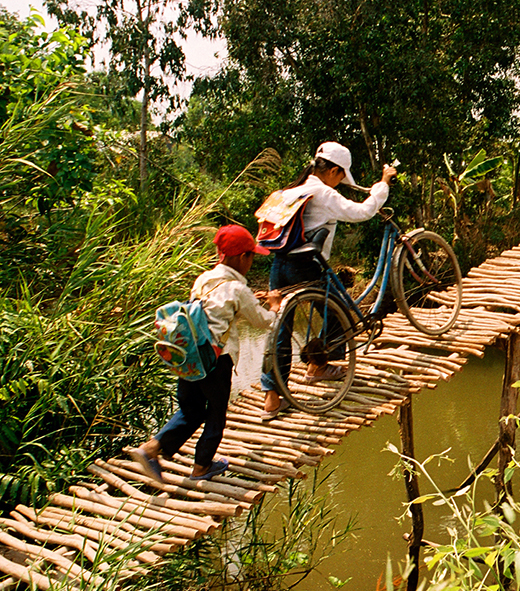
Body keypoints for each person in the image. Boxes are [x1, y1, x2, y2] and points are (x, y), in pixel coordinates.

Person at [130, 225, 283, 482]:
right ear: (240, 257)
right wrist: (275, 306)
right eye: (251, 256)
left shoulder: (203, 280)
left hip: (191, 356)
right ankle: (201, 467)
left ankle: (151, 448)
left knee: (191, 410)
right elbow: (264, 322)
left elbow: (211, 315)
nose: (251, 261)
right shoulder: (238, 290)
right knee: (215, 414)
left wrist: (245, 303)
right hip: (216, 361)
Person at [260, 141, 397, 421]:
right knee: (338, 315)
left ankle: (272, 398)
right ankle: (318, 367)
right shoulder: (322, 192)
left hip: (280, 263)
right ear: (333, 170)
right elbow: (362, 212)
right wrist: (383, 183)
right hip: (307, 266)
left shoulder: (291, 190)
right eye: (340, 176)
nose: (339, 183)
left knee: (280, 328)